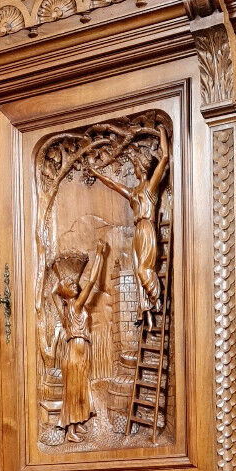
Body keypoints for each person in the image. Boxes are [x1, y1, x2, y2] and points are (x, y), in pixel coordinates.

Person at [87, 127, 168, 332]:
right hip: (138, 232)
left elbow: (165, 157)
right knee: (136, 271)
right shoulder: (134, 193)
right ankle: (147, 315)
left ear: (143, 167)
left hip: (147, 229)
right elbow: (114, 185)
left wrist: (162, 133)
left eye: (136, 166)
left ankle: (156, 298)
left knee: (144, 270)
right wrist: (96, 172)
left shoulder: (150, 188)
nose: (135, 169)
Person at [53, 242, 107, 443]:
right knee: (74, 390)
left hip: (79, 351)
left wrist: (57, 289)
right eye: (69, 285)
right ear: (66, 293)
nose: (74, 285)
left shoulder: (66, 309)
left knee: (78, 389)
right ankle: (70, 431)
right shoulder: (74, 306)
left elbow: (53, 295)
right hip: (75, 352)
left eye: (74, 283)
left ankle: (77, 423)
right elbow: (92, 282)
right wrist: (100, 255)